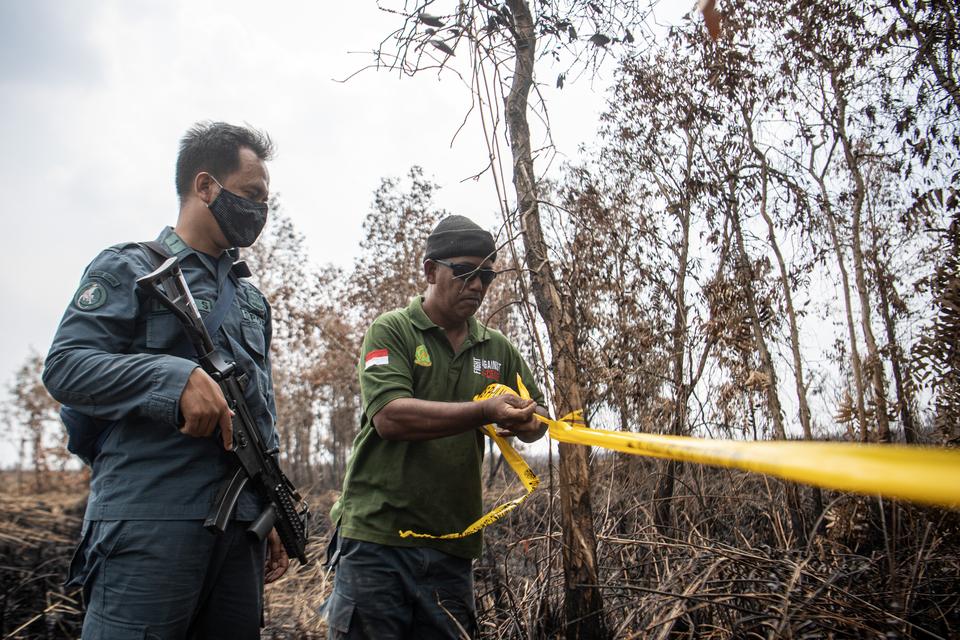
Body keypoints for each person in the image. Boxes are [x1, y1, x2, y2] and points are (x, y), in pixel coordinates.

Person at [43, 121, 289, 639]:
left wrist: (267, 513)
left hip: (239, 528)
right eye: (252, 195)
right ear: (205, 187)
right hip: (151, 517)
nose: (262, 211)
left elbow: (259, 412)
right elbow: (65, 365)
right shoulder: (128, 267)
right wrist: (171, 377)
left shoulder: (251, 302)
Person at [324, 215, 549, 639]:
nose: (478, 286)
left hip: (451, 547)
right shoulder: (392, 331)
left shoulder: (496, 349)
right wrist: (485, 412)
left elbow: (538, 423)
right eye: (465, 272)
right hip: (377, 541)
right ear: (430, 271)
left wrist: (526, 423)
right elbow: (390, 417)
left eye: (487, 275)